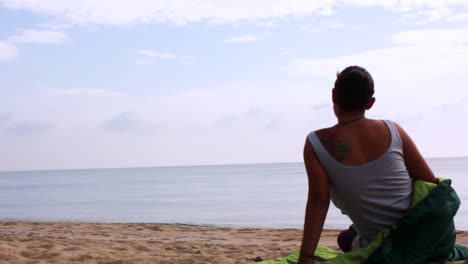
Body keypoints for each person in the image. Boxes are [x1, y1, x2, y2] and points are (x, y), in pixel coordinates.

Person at [298, 66, 437, 264]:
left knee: (345, 238)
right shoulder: (394, 130)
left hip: (384, 246)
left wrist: (306, 256)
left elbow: (319, 199)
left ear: (333, 96)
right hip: (419, 234)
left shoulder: (316, 143)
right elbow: (431, 184)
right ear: (370, 103)